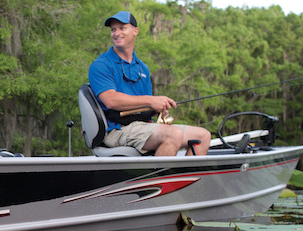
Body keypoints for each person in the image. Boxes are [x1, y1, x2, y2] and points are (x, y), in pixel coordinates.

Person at [88, 11, 211, 156]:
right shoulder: (101, 65)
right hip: (117, 130)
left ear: (135, 31)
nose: (116, 33)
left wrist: (159, 109)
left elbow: (145, 105)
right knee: (173, 135)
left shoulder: (142, 67)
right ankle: (160, 178)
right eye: (113, 29)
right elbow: (111, 101)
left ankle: (184, 177)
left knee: (203, 136)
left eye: (122, 28)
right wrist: (152, 100)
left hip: (142, 126)